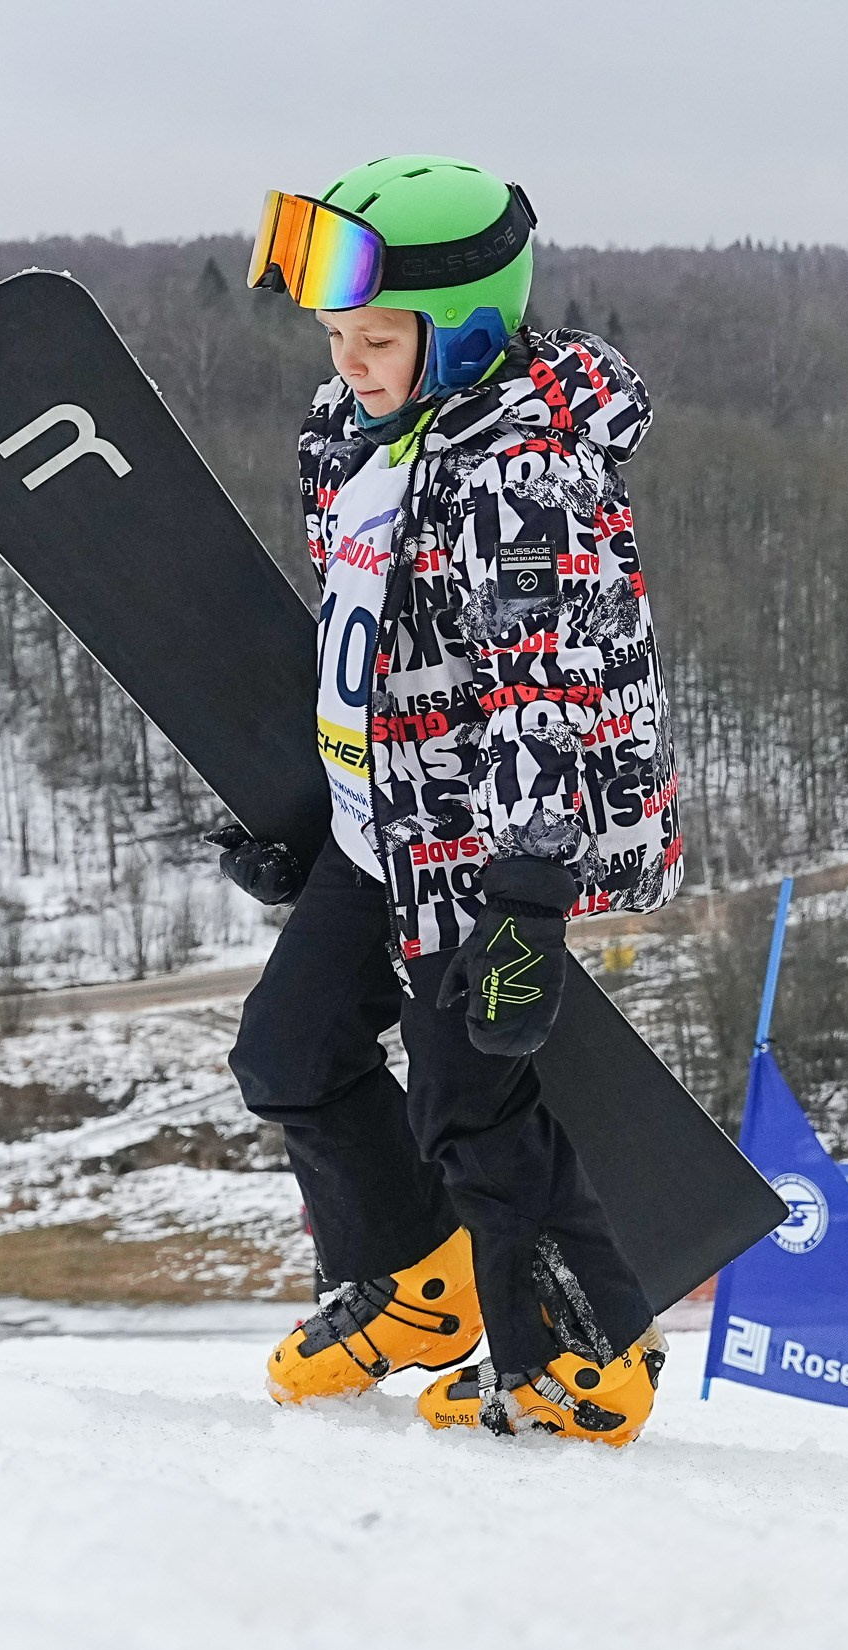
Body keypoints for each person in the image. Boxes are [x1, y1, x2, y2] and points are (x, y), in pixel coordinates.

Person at [224, 157, 679, 1445]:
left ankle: (584, 1361)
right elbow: (368, 651)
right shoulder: (352, 444)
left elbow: (560, 688)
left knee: (469, 1107)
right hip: (377, 833)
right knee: (288, 1055)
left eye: (377, 336)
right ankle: (420, 1286)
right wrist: (314, 815)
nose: (351, 360)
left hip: (486, 851)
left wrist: (529, 898)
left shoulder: (525, 472)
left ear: (468, 324)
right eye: (335, 335)